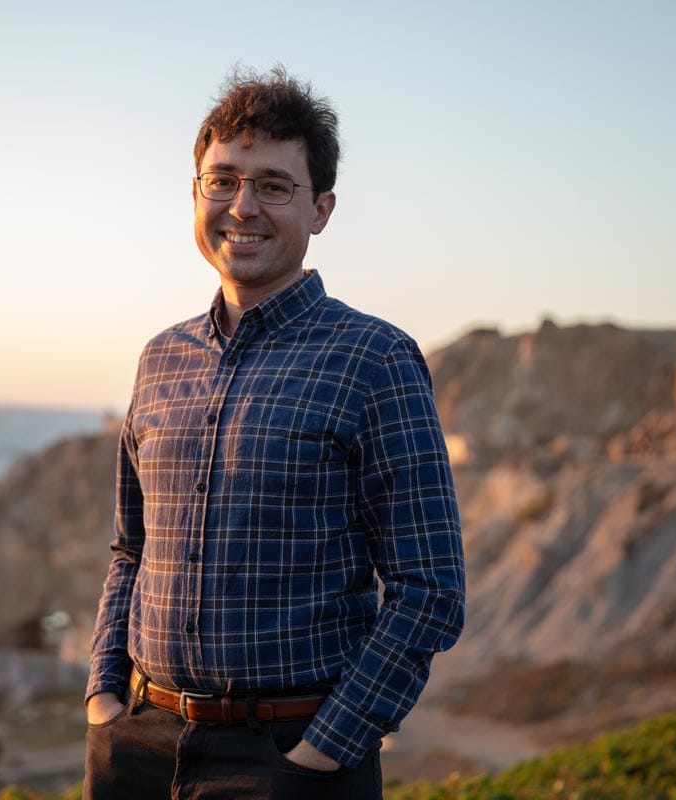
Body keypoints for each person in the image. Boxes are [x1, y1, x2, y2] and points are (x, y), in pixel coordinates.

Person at [84, 67, 465, 800]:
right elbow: (131, 548)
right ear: (195, 193)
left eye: (274, 185)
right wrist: (104, 695)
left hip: (289, 760)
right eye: (221, 180)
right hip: (136, 743)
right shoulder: (160, 358)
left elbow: (430, 589)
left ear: (321, 209)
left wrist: (328, 747)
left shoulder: (375, 359)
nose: (242, 206)